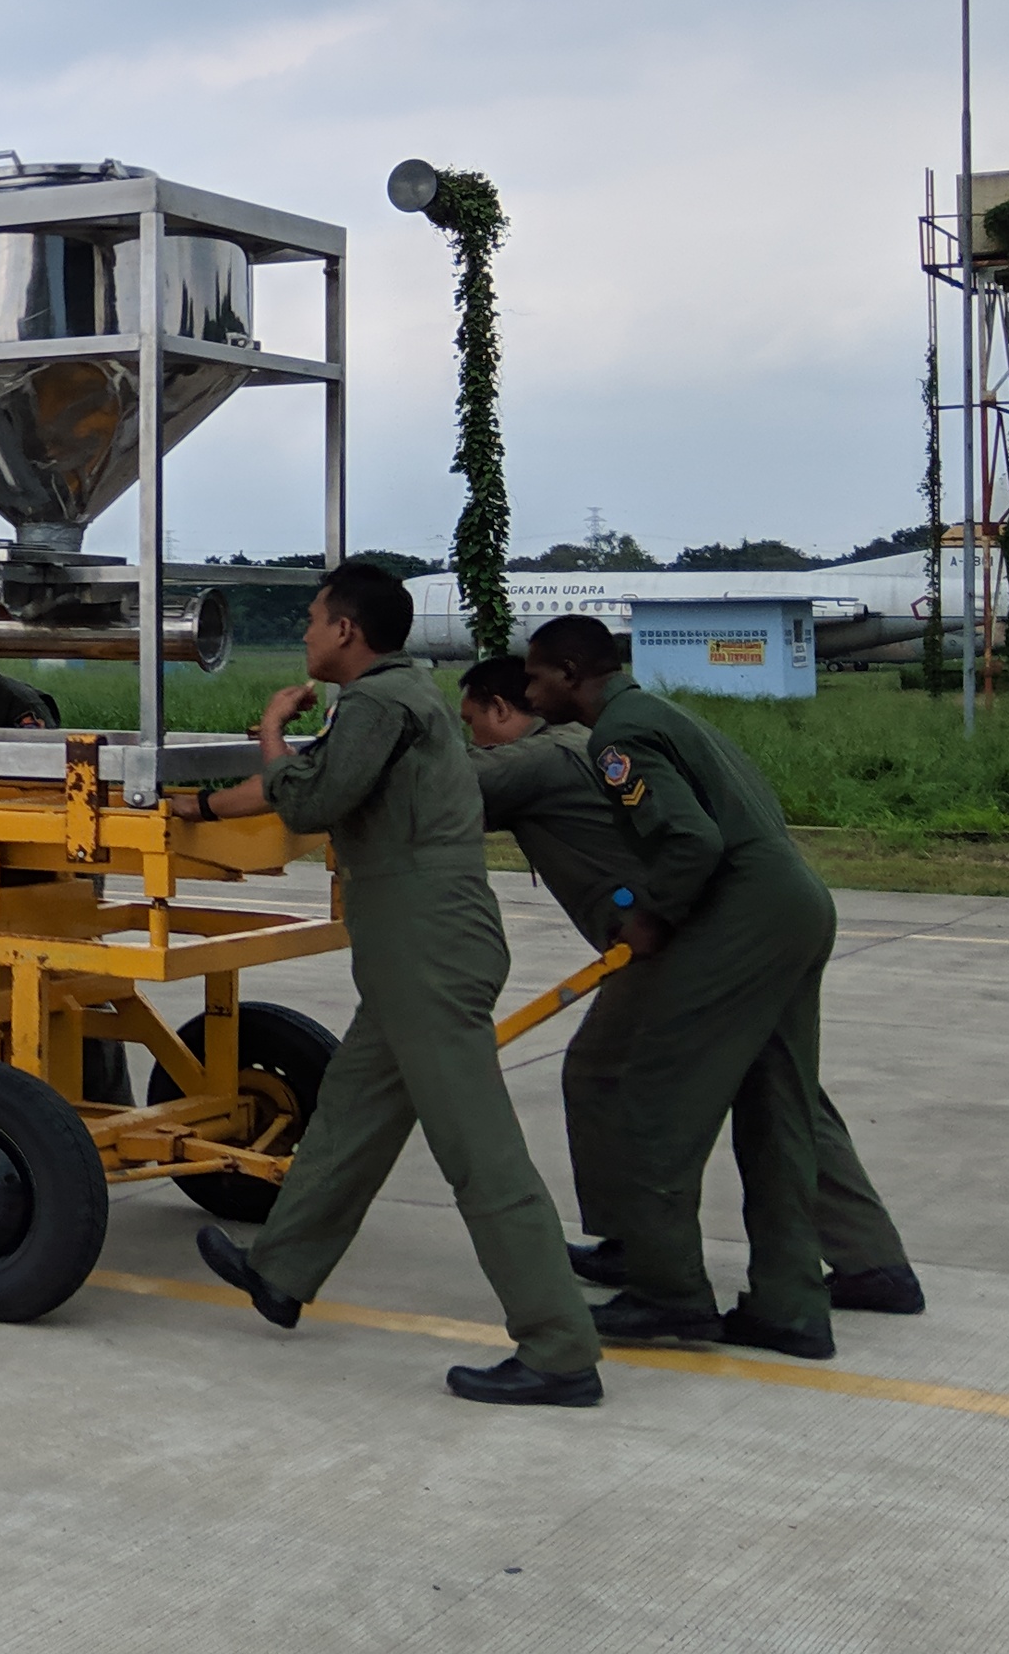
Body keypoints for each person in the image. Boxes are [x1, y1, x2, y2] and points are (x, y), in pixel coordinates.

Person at [175, 564, 604, 1407]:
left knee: (480, 1153)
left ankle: (558, 1347)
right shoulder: (396, 698)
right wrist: (199, 806)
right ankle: (281, 1271)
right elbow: (309, 785)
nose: (303, 634)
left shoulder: (377, 703)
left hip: (426, 945)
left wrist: (268, 727)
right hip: (418, 940)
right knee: (355, 1113)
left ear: (346, 631)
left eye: (311, 619)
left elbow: (310, 800)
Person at [456, 658, 922, 1316]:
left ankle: (644, 1254)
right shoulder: (585, 744)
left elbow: (446, 789)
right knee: (783, 1091)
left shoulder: (539, 758)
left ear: (502, 710)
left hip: (674, 937)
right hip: (734, 929)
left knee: (607, 1073)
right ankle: (873, 1261)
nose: (473, 737)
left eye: (472, 722)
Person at [523, 613, 847, 1359]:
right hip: (797, 904)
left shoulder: (618, 737)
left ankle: (668, 1294)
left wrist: (649, 914)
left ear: (572, 671)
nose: (529, 688)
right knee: (778, 1111)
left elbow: (692, 840)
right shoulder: (661, 711)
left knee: (652, 1097)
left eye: (536, 674)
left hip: (743, 917)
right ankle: (791, 1305)